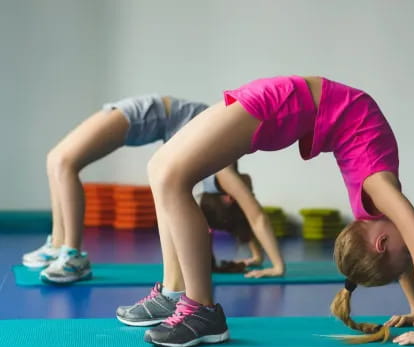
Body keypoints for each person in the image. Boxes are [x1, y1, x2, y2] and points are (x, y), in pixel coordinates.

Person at [139, 75, 414, 347]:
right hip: (290, 102)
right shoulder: (380, 190)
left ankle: (175, 294)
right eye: (405, 254)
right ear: (380, 242)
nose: (409, 247)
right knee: (172, 179)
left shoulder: (376, 210)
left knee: (160, 170)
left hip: (289, 97)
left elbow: (407, 251)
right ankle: (200, 309)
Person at [21, 95, 284, 286]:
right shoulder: (219, 167)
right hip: (154, 112)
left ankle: (69, 252)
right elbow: (250, 215)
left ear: (226, 200)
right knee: (59, 161)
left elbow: (251, 214)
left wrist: (266, 260)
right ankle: (61, 246)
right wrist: (266, 259)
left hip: (151, 115)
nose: (249, 187)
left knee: (61, 161)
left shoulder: (220, 174)